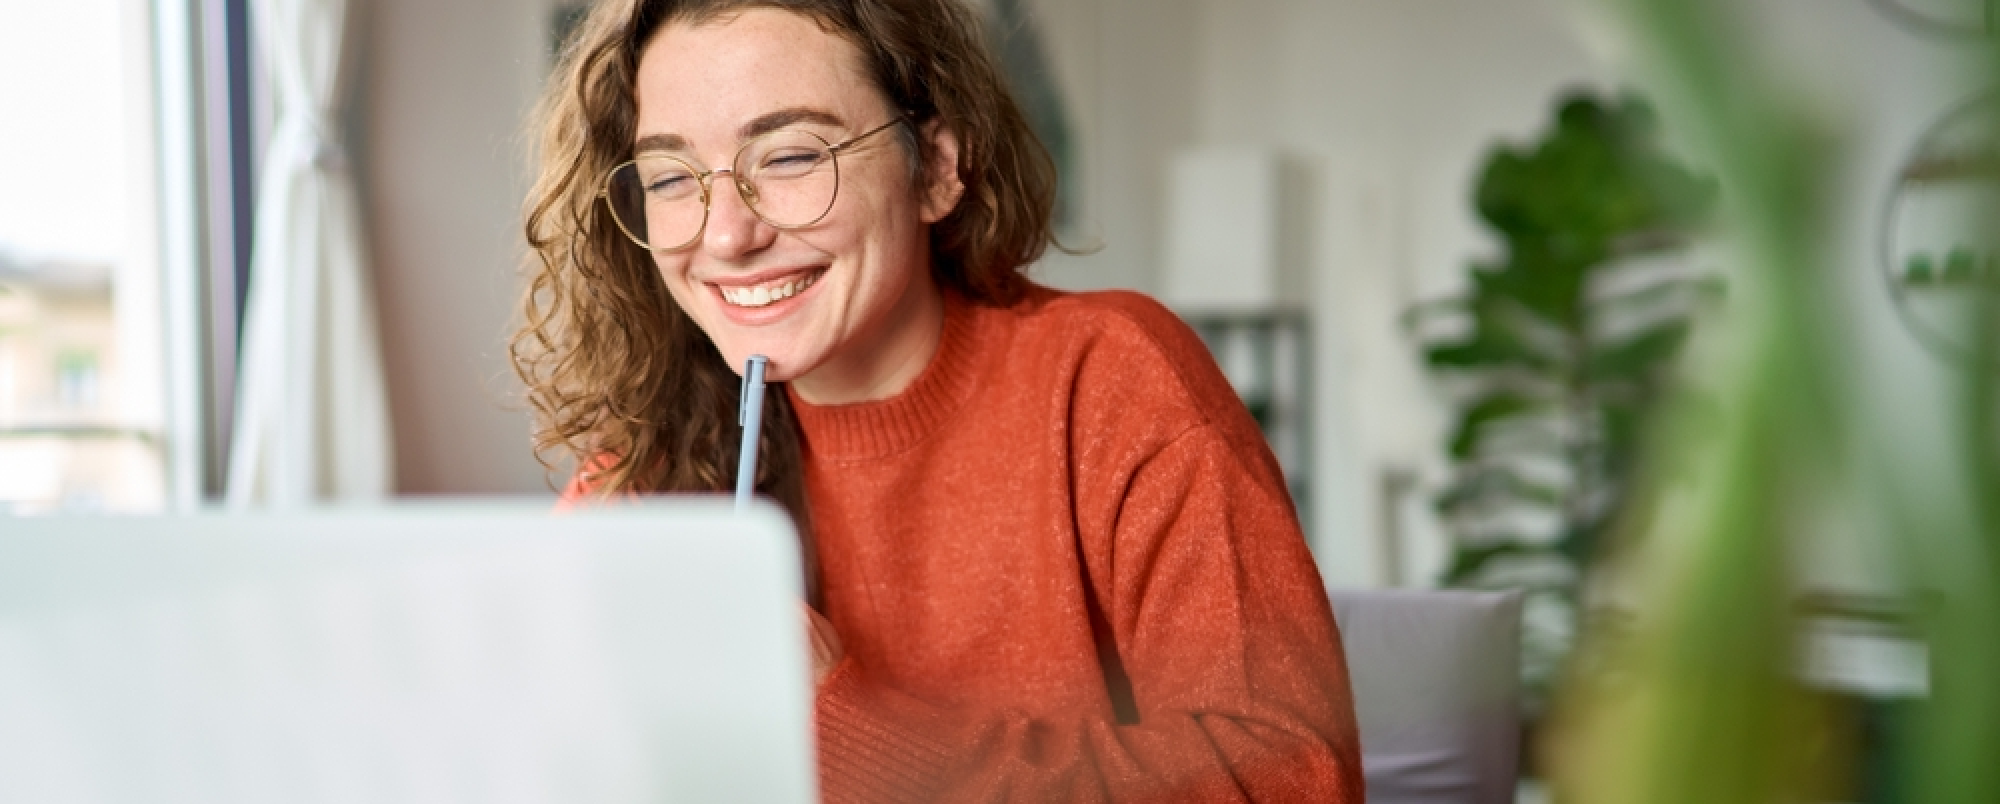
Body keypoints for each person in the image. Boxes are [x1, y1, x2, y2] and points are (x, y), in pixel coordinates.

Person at [513, 0, 1363, 800]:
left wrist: (837, 724)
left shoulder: (1111, 383)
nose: (727, 235)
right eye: (670, 178)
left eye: (793, 155)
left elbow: (1294, 782)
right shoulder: (645, 477)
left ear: (938, 169)